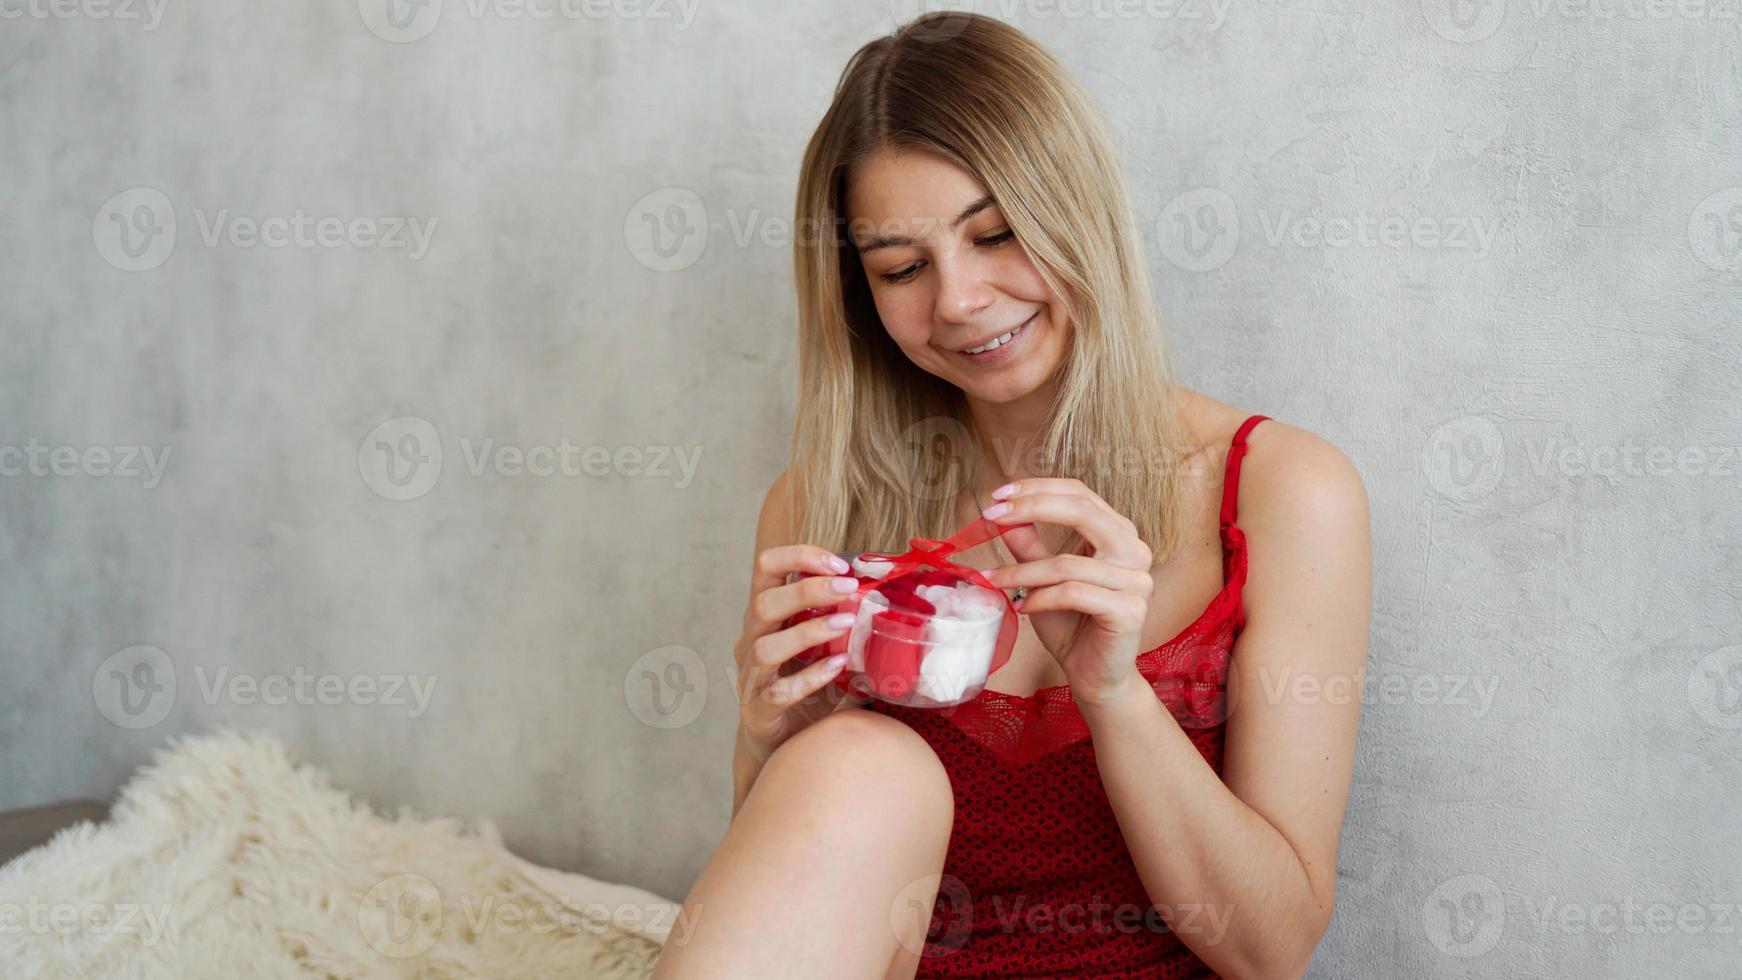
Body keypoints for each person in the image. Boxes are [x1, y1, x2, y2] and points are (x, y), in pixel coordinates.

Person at [652, 12, 1371, 979]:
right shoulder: (821, 509)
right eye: (902, 268)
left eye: (996, 234)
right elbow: (784, 925)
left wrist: (1113, 693)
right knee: (852, 764)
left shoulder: (1281, 489)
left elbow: (1270, 950)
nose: (957, 300)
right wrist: (766, 738)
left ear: (1078, 212)